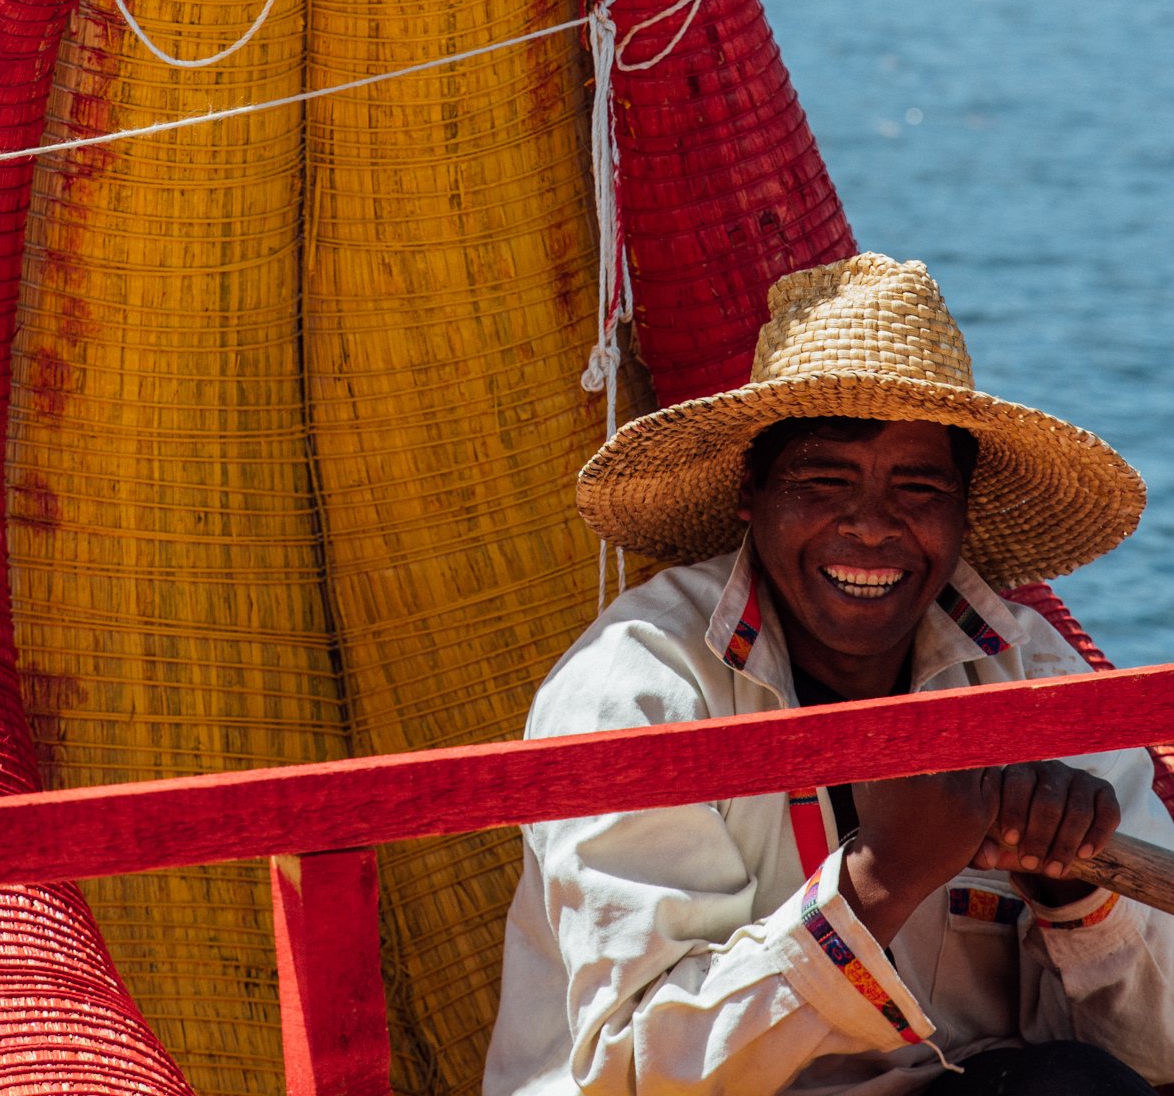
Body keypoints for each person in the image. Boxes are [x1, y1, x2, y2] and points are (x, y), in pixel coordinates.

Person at [483, 253, 1171, 1095]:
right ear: (751, 492)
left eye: (917, 488)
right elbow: (637, 1068)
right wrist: (879, 881)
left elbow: (1160, 1049)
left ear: (961, 510)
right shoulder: (638, 686)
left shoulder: (1029, 673)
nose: (872, 526)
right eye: (823, 478)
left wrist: (1074, 902)